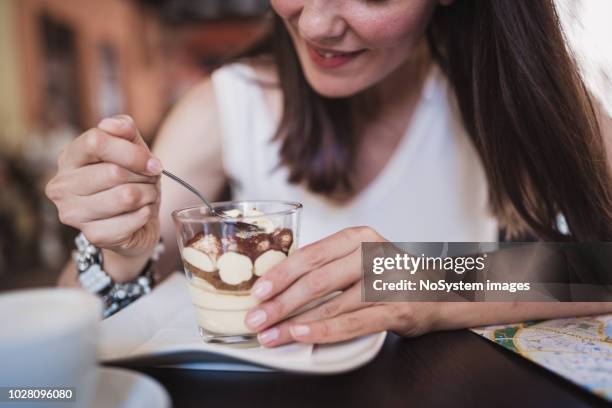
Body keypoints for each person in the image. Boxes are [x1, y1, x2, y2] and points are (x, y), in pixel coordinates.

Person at [46, 0, 612, 346]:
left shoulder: (520, 99)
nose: (315, 24)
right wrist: (119, 250)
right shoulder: (227, 105)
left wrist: (434, 284)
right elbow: (69, 321)